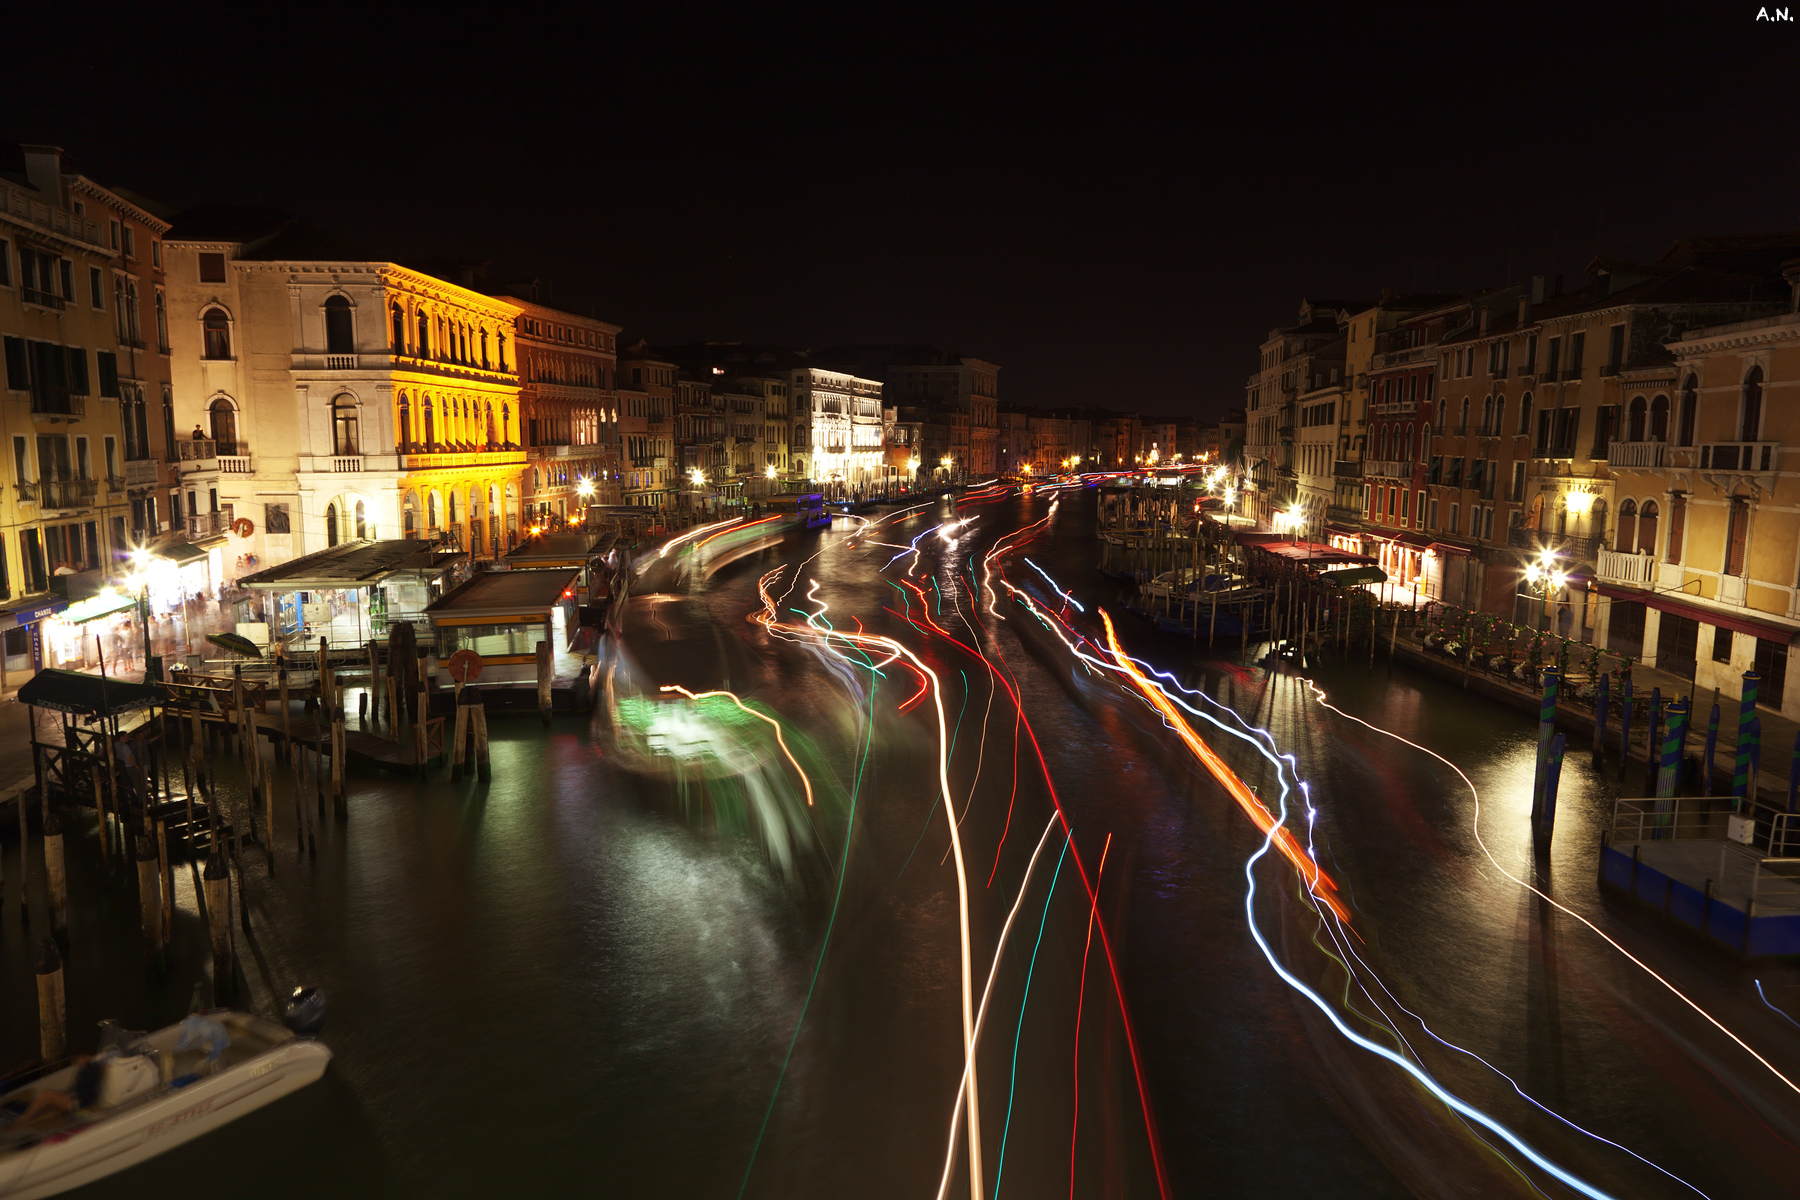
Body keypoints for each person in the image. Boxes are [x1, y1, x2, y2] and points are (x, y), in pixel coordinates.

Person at [4, 1056, 99, 1129]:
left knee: (45, 1095)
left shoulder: (90, 1070)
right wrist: (65, 1093)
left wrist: (70, 1095)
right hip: (73, 1098)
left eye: (80, 1057)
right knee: (47, 1100)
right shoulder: (82, 1070)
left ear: (87, 1057)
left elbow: (89, 1092)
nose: (77, 1060)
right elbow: (75, 1087)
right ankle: (27, 1121)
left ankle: (24, 1121)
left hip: (80, 1102)